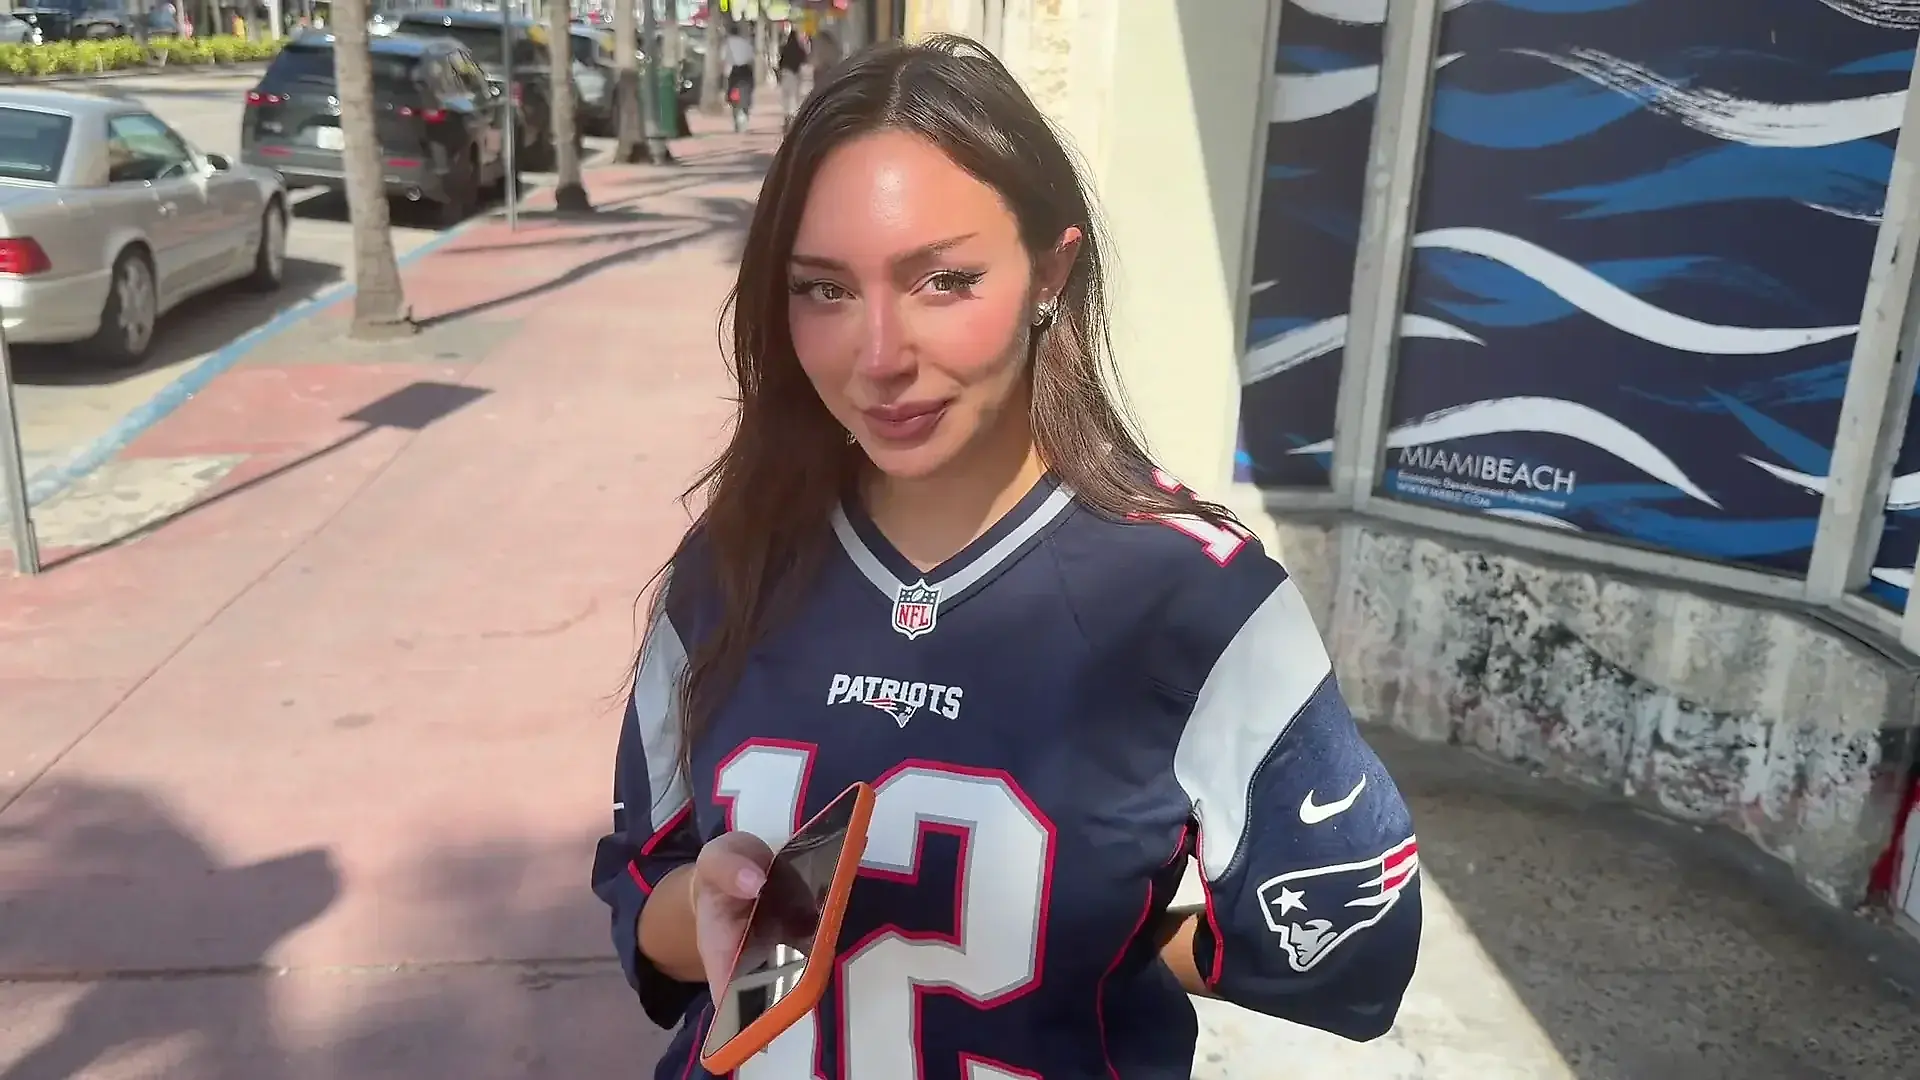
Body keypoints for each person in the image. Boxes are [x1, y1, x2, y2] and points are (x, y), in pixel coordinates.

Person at [590, 34, 1422, 1080]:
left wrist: (1109, 945)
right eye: (824, 290)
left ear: (1051, 271)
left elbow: (1350, 947)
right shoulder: (729, 565)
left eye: (944, 280)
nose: (879, 356)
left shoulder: (1196, 601)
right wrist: (706, 909)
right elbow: (642, 884)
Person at [722, 20, 756, 116]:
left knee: (730, 87)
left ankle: (730, 101)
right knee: (750, 87)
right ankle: (747, 106)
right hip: (746, 69)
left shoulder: (727, 42)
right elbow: (751, 57)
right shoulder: (745, 42)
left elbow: (725, 58)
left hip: (735, 70)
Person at [777, 28, 807, 131]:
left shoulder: (785, 48)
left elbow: (781, 62)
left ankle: (787, 116)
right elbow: (804, 58)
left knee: (787, 96)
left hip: (786, 73)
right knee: (794, 96)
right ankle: (792, 116)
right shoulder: (799, 48)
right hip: (796, 74)